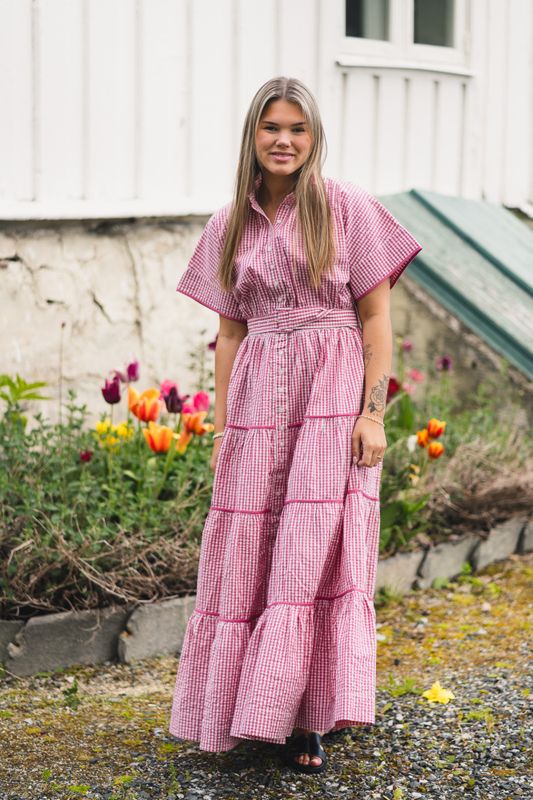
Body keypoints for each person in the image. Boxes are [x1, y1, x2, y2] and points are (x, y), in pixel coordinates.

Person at [168, 76, 422, 775]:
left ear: (313, 138)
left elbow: (375, 319)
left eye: (297, 129)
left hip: (332, 392)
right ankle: (239, 710)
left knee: (316, 546)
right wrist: (226, 429)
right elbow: (227, 334)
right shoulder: (228, 223)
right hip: (257, 398)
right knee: (248, 546)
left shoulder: (346, 209)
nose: (283, 140)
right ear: (253, 136)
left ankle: (307, 720)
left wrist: (372, 414)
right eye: (270, 128)